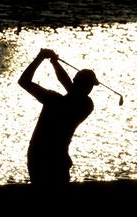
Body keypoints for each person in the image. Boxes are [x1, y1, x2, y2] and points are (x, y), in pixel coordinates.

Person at [18, 48, 99, 187]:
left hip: (40, 156)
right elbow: (69, 87)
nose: (90, 89)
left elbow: (24, 81)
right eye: (90, 85)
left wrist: (42, 58)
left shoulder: (55, 99)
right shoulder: (86, 105)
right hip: (52, 158)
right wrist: (53, 62)